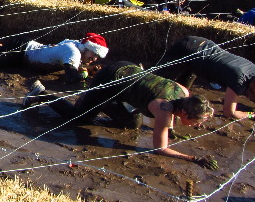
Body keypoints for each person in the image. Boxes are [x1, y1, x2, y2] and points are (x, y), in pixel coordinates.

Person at [30, 61, 217, 168]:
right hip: (112, 77)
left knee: (132, 123)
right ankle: (41, 94)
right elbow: (160, 148)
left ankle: (102, 103)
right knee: (78, 117)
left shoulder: (183, 92)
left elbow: (174, 115)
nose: (197, 126)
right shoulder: (164, 111)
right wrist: (194, 159)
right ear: (185, 112)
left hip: (128, 72)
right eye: (196, 121)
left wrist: (172, 131)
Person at [156, 36, 255, 122]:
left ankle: (172, 118)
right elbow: (229, 113)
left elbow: (252, 92)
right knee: (157, 82)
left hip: (201, 49)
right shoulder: (238, 80)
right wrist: (254, 115)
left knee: (182, 93)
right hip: (187, 50)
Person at [0, 31, 109, 83]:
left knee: (0, 50)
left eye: (97, 57)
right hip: (23, 50)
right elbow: (71, 77)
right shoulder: (74, 53)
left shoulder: (76, 44)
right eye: (94, 55)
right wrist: (84, 74)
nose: (94, 59)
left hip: (26, 50)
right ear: (87, 49)